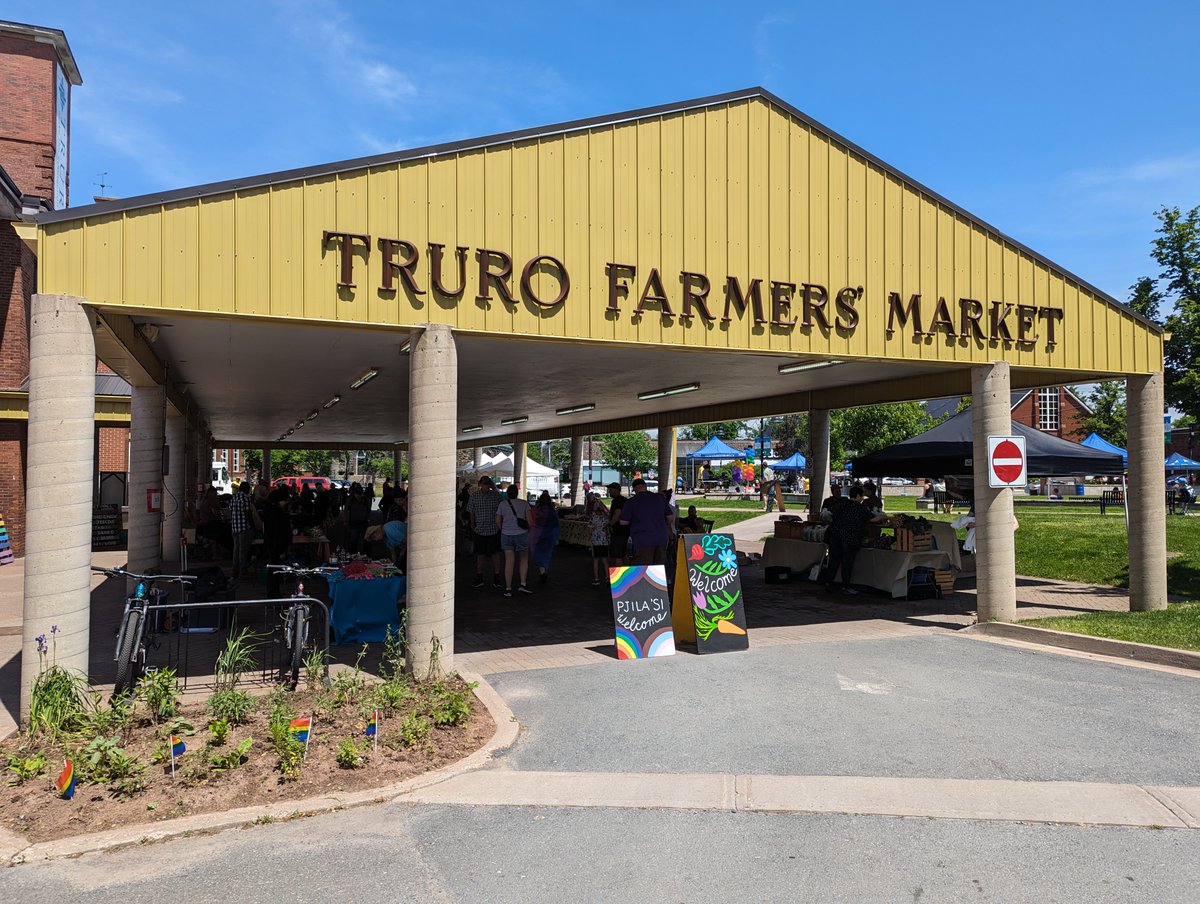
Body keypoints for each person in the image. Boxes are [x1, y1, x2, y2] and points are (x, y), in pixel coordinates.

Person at [824, 485, 889, 595]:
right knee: (847, 562)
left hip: (835, 536)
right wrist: (885, 517)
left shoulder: (842, 504)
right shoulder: (859, 508)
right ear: (858, 495)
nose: (862, 498)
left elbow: (830, 515)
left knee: (833, 560)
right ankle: (845, 586)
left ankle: (828, 583)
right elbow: (873, 518)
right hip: (850, 538)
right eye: (861, 495)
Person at [619, 477, 675, 566]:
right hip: (661, 538)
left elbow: (623, 522)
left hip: (642, 539)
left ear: (635, 488)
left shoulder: (631, 502)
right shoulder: (659, 498)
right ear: (645, 486)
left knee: (644, 569)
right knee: (659, 568)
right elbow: (670, 517)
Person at [466, 475, 503, 589]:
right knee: (480, 555)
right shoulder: (474, 496)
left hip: (493, 530)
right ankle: (479, 577)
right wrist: (473, 525)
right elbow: (471, 512)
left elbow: (502, 507)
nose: (487, 486)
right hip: (480, 530)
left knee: (495, 555)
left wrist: (494, 487)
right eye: (485, 484)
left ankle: (496, 577)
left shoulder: (496, 495)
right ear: (480, 485)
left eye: (488, 484)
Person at [496, 484, 533, 596]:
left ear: (507, 493)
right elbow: (530, 521)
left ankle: (508, 588)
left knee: (509, 561)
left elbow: (497, 520)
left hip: (506, 534)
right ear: (517, 493)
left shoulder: (502, 504)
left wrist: (502, 529)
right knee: (524, 559)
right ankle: (522, 584)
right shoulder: (524, 504)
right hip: (521, 534)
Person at [228, 481, 257, 581]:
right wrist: (253, 527)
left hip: (235, 527)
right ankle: (243, 570)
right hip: (244, 528)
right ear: (247, 489)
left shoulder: (234, 498)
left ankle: (235, 570)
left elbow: (231, 511)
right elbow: (248, 513)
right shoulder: (246, 498)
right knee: (243, 550)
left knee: (236, 550)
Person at [529, 491, 560, 584]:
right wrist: (556, 537)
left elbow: (531, 521)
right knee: (546, 554)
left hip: (537, 536)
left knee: (537, 553)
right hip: (549, 536)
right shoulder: (552, 512)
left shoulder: (536, 510)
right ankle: (544, 570)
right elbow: (556, 525)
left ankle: (542, 571)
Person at [586, 492, 611, 586]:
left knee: (595, 560)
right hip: (604, 541)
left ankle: (596, 579)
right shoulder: (605, 519)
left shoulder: (593, 518)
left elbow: (590, 527)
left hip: (596, 542)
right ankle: (607, 577)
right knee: (605, 560)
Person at [607, 482, 629, 565]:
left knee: (617, 556)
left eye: (611, 490)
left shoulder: (617, 501)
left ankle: (620, 576)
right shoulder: (625, 500)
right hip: (625, 531)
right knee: (623, 554)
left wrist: (610, 524)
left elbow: (617, 513)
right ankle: (628, 574)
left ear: (616, 490)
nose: (609, 492)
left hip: (618, 531)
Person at [382, 504, 408, 569]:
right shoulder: (385, 537)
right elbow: (393, 553)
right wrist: (393, 566)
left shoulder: (389, 530)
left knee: (403, 564)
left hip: (407, 543)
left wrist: (403, 553)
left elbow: (407, 541)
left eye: (374, 536)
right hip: (403, 545)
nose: (376, 540)